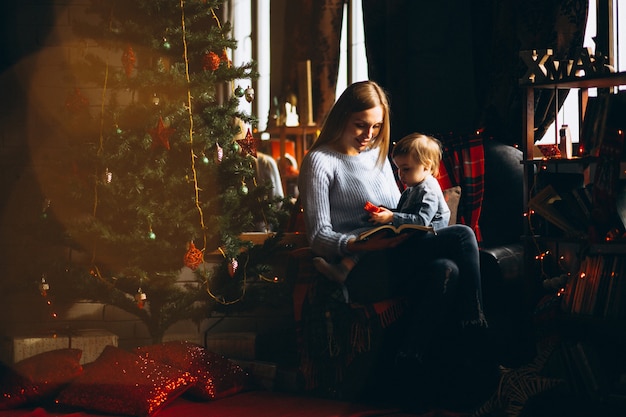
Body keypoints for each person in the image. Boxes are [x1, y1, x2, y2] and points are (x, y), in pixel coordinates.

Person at [298, 80, 487, 376]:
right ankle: (475, 321)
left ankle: (409, 359)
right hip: (362, 267)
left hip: (397, 254)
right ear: (342, 117)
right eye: (361, 125)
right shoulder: (319, 162)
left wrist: (401, 225)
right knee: (463, 235)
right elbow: (319, 238)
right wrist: (367, 245)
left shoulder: (379, 157)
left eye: (376, 127)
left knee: (446, 269)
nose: (369, 135)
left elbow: (401, 210)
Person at [312, 132, 450, 286]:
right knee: (369, 232)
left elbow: (421, 221)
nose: (400, 175)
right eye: (398, 169)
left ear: (426, 166)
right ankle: (343, 266)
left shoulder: (428, 190)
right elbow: (405, 213)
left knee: (378, 235)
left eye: (406, 169)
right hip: (412, 234)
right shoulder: (413, 188)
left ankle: (344, 269)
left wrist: (392, 217)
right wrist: (386, 211)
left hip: (426, 240)